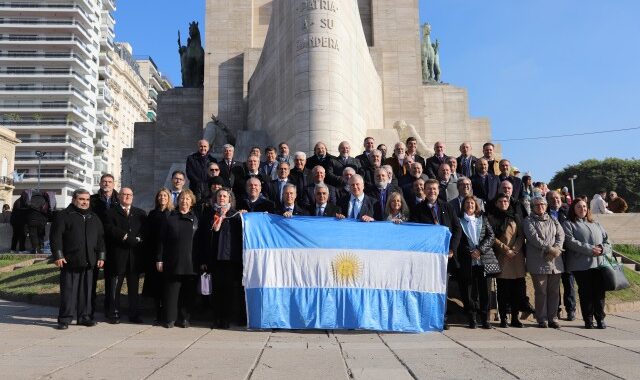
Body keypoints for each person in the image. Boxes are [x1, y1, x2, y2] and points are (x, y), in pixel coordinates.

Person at [410, 179, 462, 329]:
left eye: (434, 189)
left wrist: (452, 249)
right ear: (424, 191)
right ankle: (426, 317)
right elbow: (414, 232)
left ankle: (441, 318)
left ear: (438, 190)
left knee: (442, 288)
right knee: (425, 287)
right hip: (427, 256)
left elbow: (457, 229)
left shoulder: (448, 207)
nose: (431, 191)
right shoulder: (418, 209)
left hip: (445, 256)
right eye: (429, 189)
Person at [51, 189, 105, 330]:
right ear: (74, 199)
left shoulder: (94, 217)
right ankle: (65, 319)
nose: (85, 202)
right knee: (69, 292)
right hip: (70, 261)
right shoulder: (63, 216)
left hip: (89, 261)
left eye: (87, 199)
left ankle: (84, 317)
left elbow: (101, 239)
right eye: (81, 199)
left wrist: (101, 256)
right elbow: (55, 237)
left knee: (87, 292)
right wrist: (58, 255)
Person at [562, 199, 612, 329]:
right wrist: (590, 249)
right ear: (573, 209)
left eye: (584, 206)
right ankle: (588, 320)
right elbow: (570, 242)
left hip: (599, 264)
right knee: (586, 293)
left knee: (599, 293)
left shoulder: (596, 223)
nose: (582, 209)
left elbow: (608, 241)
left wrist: (602, 248)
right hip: (581, 266)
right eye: (579, 207)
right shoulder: (568, 224)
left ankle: (600, 318)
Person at [198, 188, 244, 329]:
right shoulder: (210, 215)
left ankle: (226, 319)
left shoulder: (235, 216)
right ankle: (216, 317)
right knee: (216, 291)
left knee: (228, 291)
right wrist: (204, 259)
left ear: (230, 199)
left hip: (230, 260)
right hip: (214, 259)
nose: (222, 198)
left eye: (225, 196)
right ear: (216, 198)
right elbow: (204, 239)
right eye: (220, 196)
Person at [103, 187, 147, 324]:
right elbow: (109, 229)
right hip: (118, 256)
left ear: (133, 197)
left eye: (129, 195)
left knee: (134, 289)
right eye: (124, 194)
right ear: (119, 196)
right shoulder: (110, 212)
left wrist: (138, 239)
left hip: (134, 257)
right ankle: (114, 313)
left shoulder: (140, 213)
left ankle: (134, 314)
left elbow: (144, 231)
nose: (127, 197)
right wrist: (125, 236)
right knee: (114, 287)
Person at [156, 189, 199, 328]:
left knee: (187, 293)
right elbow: (161, 240)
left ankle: (185, 318)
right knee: (171, 293)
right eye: (182, 199)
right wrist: (159, 259)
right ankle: (170, 318)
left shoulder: (196, 218)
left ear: (191, 202)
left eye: (187, 199)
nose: (184, 201)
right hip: (172, 261)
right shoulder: (170, 217)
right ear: (177, 201)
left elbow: (200, 241)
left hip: (190, 262)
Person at [523, 196, 565, 329]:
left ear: (546, 206)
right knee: (541, 291)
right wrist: (550, 249)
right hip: (538, 261)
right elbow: (533, 238)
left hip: (555, 261)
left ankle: (553, 317)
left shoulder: (553, 219)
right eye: (537, 205)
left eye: (542, 204)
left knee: (554, 291)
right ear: (533, 207)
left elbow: (561, 235)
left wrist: (557, 248)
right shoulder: (528, 220)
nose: (540, 206)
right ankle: (542, 318)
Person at [457, 196, 496, 329]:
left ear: (476, 205)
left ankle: (485, 319)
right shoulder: (459, 221)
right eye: (467, 203)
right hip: (468, 262)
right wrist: (470, 252)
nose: (469, 205)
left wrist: (480, 250)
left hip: (483, 260)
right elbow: (458, 240)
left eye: (472, 203)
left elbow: (491, 236)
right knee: (470, 292)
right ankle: (472, 318)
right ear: (463, 205)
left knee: (485, 291)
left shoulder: (483, 219)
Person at [488, 193, 526, 328]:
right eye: (501, 201)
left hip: (517, 258)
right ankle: (503, 317)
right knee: (503, 291)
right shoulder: (491, 218)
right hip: (502, 257)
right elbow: (491, 237)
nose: (504, 203)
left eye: (506, 201)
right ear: (496, 203)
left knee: (517, 291)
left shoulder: (515, 217)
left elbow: (521, 236)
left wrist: (514, 249)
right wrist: (505, 249)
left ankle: (515, 318)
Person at [142, 188, 174, 324]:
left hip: (168, 254)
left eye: (165, 195)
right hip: (153, 254)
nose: (162, 198)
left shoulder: (172, 213)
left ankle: (167, 313)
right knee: (155, 286)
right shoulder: (152, 214)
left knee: (166, 286)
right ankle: (157, 314)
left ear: (169, 198)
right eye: (160, 195)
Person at [546, 190, 575, 321]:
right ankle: (555, 310)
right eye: (551, 198)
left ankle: (571, 310)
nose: (555, 200)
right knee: (553, 284)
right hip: (551, 253)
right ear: (547, 200)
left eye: (557, 198)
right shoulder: (544, 212)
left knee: (568, 283)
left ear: (561, 198)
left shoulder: (569, 211)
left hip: (567, 253)